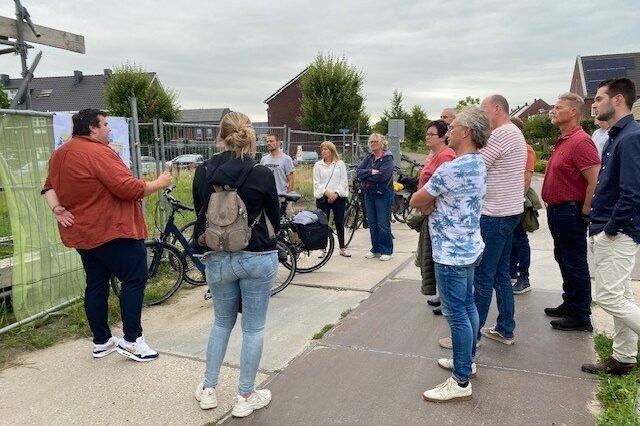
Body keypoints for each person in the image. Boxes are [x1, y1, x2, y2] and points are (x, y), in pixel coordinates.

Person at [41, 109, 172, 361]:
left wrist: (57, 209)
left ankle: (101, 341)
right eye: (105, 124)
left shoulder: (60, 154)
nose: (109, 129)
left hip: (82, 233)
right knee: (134, 279)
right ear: (93, 128)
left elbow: (48, 187)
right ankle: (132, 341)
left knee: (96, 283)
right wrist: (159, 183)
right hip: (112, 230)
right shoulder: (99, 152)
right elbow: (128, 189)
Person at [192, 112, 280, 417]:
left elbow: (200, 211)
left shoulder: (204, 170)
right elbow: (274, 216)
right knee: (253, 328)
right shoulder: (261, 173)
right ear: (250, 136)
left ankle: (208, 389)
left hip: (217, 256)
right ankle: (245, 396)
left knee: (221, 323)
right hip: (257, 256)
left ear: (220, 135)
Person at [410, 106, 489, 402]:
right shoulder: (478, 163)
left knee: (456, 315)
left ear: (466, 132)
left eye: (453, 128)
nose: (449, 132)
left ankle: (460, 381)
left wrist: (429, 202)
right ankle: (466, 362)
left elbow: (417, 199)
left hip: (450, 252)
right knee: (467, 306)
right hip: (469, 247)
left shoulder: (451, 168)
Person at [582, 78, 640, 375]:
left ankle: (624, 357)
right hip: (609, 228)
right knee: (622, 295)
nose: (594, 104)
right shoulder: (618, 135)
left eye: (599, 98)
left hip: (617, 232)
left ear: (618, 100)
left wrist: (611, 228)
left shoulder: (630, 137)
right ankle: (624, 358)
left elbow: (632, 193)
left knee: (609, 297)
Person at [468, 95, 527, 347]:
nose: (482, 115)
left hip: (494, 214)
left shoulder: (501, 134)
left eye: (484, 110)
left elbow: (476, 166)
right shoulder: (514, 132)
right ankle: (505, 328)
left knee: (482, 275)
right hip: (509, 212)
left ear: (497, 108)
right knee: (501, 274)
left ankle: (471, 337)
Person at [541, 93, 600, 332]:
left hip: (570, 211)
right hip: (558, 211)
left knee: (574, 262)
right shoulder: (564, 140)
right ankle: (571, 303)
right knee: (563, 258)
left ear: (573, 112)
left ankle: (581, 315)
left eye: (558, 107)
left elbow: (594, 180)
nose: (553, 111)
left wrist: (585, 210)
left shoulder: (580, 141)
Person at [417, 120, 456, 316]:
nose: (427, 137)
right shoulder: (435, 155)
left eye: (431, 134)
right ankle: (443, 296)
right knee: (433, 257)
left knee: (440, 258)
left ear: (442, 137)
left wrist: (426, 204)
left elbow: (442, 187)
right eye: (427, 133)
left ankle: (447, 300)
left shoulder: (446, 156)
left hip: (438, 213)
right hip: (431, 213)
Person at [509, 117, 537, 294]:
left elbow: (526, 178)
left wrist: (517, 198)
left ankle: (523, 277)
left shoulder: (526, 149)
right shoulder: (514, 148)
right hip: (510, 200)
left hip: (517, 201)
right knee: (512, 238)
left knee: (520, 239)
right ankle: (512, 272)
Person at [357, 133, 394, 261]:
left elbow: (382, 176)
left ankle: (386, 250)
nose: (373, 144)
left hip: (382, 194)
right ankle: (375, 248)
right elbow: (358, 172)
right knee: (372, 222)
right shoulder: (369, 158)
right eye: (371, 142)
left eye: (375, 141)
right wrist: (370, 172)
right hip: (369, 194)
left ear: (382, 143)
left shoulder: (387, 158)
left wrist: (366, 177)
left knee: (382, 223)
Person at [313, 141, 350, 257]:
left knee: (339, 222)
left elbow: (343, 180)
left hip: (338, 197)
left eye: (326, 149)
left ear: (332, 150)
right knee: (323, 223)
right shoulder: (318, 165)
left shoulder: (340, 164)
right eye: (322, 150)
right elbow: (316, 182)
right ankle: (322, 247)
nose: (323, 152)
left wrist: (336, 193)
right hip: (323, 197)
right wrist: (327, 193)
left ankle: (342, 247)